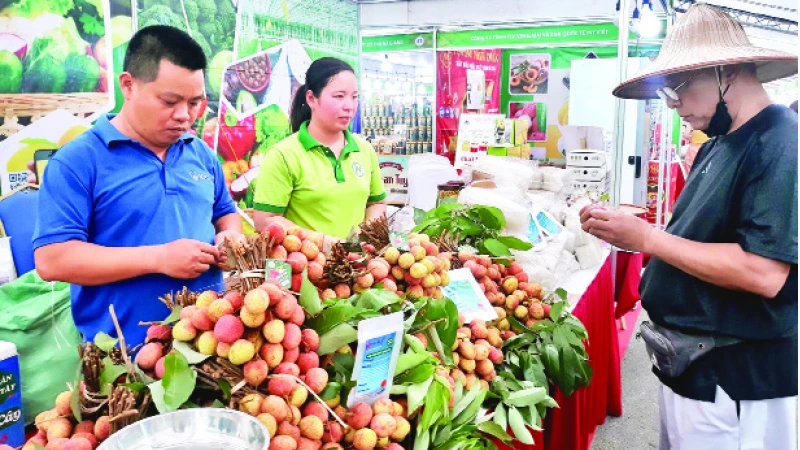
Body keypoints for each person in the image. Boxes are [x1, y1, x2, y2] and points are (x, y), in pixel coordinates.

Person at [581, 5, 797, 449]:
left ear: (727, 71)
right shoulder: (722, 141)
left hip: (732, 375)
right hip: (693, 363)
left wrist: (648, 239)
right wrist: (638, 230)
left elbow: (765, 272)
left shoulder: (779, 142)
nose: (673, 103)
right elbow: (707, 235)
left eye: (677, 87)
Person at [33, 26, 243, 346]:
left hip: (211, 347)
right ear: (128, 85)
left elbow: (225, 212)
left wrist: (230, 236)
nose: (184, 116)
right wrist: (159, 258)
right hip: (125, 361)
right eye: (170, 101)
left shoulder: (200, 154)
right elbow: (52, 259)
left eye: (195, 102)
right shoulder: (77, 161)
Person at [253, 57, 386, 244]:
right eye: (339, 96)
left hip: (357, 267)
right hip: (307, 268)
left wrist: (367, 236)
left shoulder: (364, 150)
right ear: (311, 99)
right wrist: (325, 244)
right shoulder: (283, 155)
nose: (349, 106)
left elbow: (376, 202)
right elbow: (265, 220)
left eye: (354, 97)